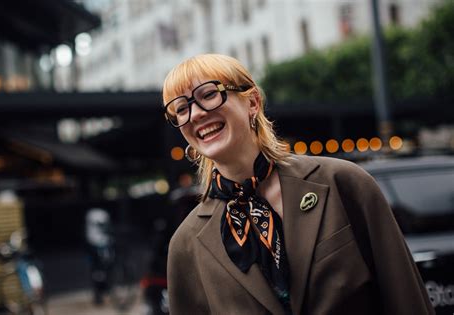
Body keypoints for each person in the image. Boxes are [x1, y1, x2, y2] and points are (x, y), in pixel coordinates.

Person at [162, 54, 434, 315]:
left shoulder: (343, 183)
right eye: (181, 109)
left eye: (208, 94)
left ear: (253, 102)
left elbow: (407, 300)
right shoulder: (185, 246)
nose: (195, 114)